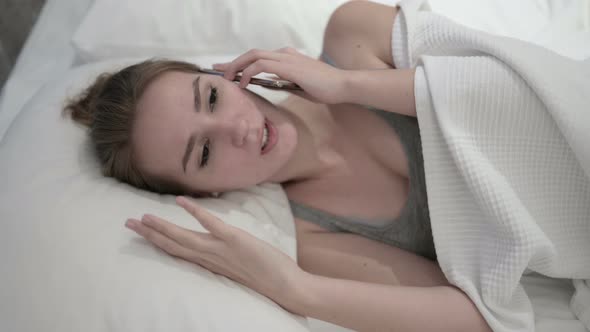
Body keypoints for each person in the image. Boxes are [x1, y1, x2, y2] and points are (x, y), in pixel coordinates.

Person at [63, 2, 492, 331]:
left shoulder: (352, 37)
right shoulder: (314, 240)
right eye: (205, 154)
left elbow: (502, 86)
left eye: (211, 98)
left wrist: (348, 85)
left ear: (226, 74)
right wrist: (293, 289)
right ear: (206, 193)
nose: (237, 129)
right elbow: (478, 316)